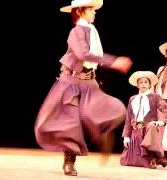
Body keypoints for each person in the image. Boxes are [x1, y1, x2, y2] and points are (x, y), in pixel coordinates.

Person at [34, 0, 133, 176]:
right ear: (80, 11)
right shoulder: (77, 31)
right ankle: (69, 160)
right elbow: (82, 53)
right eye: (91, 9)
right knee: (70, 122)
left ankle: (102, 134)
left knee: (109, 109)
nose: (94, 13)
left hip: (88, 81)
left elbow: (84, 56)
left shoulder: (90, 30)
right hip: (71, 83)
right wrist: (113, 61)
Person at [120, 71, 167, 169]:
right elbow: (128, 118)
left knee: (151, 129)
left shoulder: (156, 97)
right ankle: (155, 158)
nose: (143, 84)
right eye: (141, 82)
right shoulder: (132, 99)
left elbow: (163, 109)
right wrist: (126, 136)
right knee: (125, 161)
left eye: (146, 82)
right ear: (137, 85)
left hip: (148, 130)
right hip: (136, 131)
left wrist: (161, 121)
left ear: (150, 84)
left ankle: (156, 157)